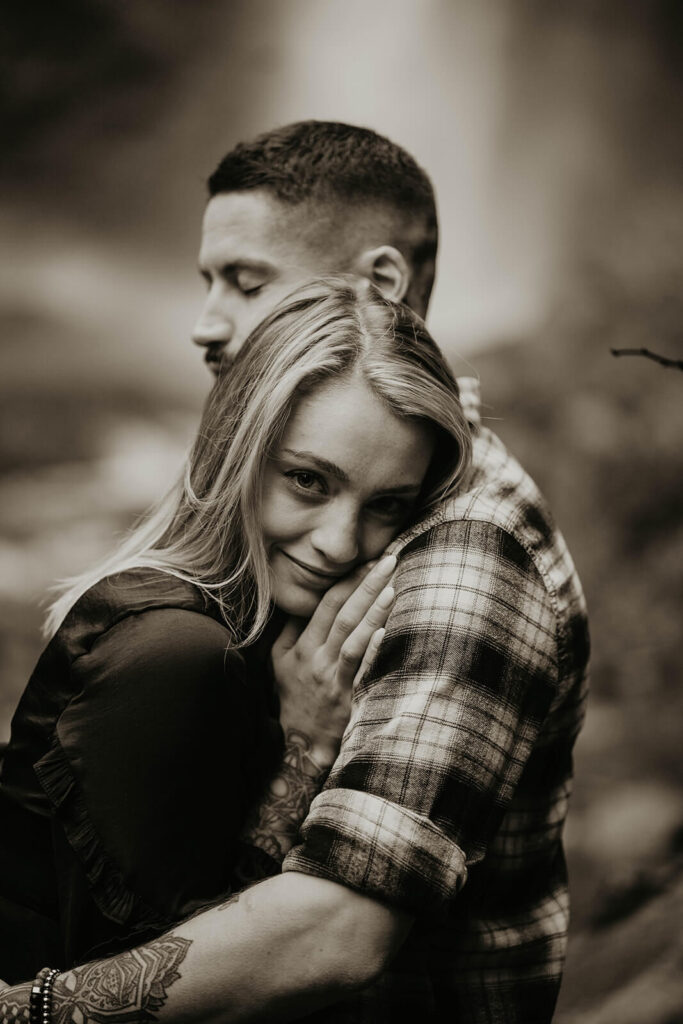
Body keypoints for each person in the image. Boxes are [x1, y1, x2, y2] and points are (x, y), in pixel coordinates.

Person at [0, 122, 589, 1024]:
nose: (206, 324)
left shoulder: (463, 550)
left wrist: (26, 1013)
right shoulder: (191, 617)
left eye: (248, 281)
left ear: (378, 287)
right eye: (304, 478)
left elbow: (332, 933)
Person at [0, 275, 471, 983]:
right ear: (235, 451)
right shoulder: (179, 654)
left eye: (387, 504)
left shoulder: (250, 632)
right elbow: (154, 984)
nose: (341, 543)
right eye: (308, 481)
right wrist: (305, 750)